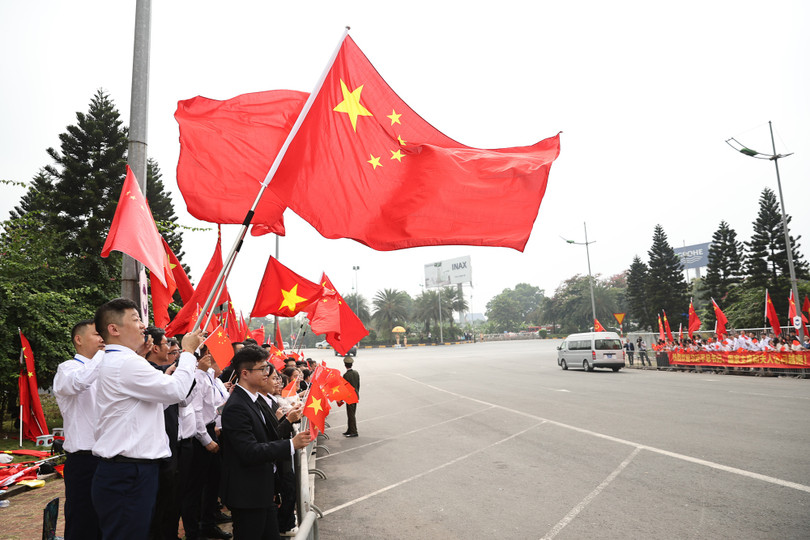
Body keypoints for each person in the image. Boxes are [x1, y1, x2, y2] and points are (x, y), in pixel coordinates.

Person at [91, 298, 202, 540]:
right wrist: (189, 352)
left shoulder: (126, 361)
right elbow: (175, 392)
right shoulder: (125, 363)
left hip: (131, 470)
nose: (143, 326)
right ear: (114, 329)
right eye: (136, 319)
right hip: (128, 472)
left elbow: (160, 401)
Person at [219, 346, 311, 539]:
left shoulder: (254, 400)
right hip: (247, 494)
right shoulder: (237, 406)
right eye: (262, 369)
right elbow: (249, 451)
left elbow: (267, 436)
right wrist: (290, 445)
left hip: (262, 490)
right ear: (244, 373)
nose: (267, 373)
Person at [53, 319, 106, 540]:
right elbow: (79, 383)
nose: (103, 339)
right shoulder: (68, 369)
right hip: (84, 459)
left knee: (105, 520)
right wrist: (104, 354)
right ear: (79, 339)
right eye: (97, 334)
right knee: (83, 521)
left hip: (109, 457)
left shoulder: (105, 369)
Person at [342, 356, 360, 437]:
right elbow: (358, 385)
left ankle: (353, 431)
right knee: (351, 414)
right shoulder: (356, 373)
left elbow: (344, 388)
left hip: (349, 397)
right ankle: (349, 430)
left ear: (345, 365)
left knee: (351, 415)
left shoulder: (346, 375)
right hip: (355, 395)